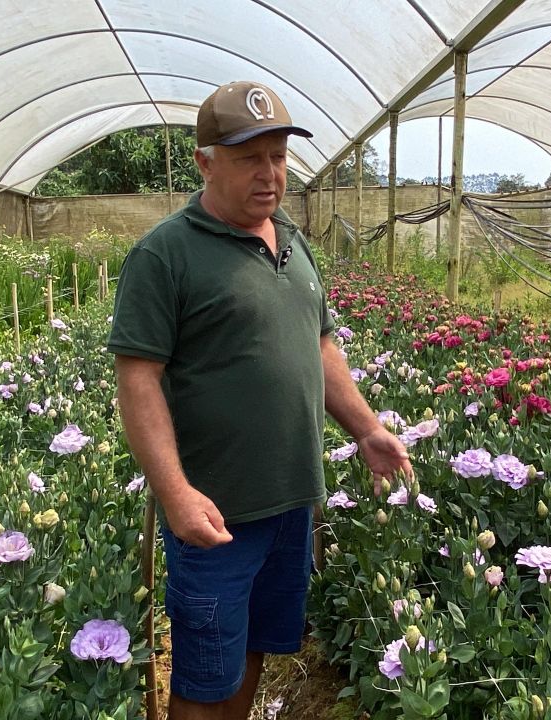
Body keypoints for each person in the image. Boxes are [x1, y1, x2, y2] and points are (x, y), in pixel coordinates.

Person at [108, 81, 414, 719]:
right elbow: (137, 381)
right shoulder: (166, 255)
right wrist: (175, 494)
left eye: (277, 156)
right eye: (250, 158)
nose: (269, 174)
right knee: (203, 676)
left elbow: (320, 345)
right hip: (216, 516)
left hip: (290, 504)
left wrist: (365, 428)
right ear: (205, 161)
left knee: (253, 650)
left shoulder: (294, 244)